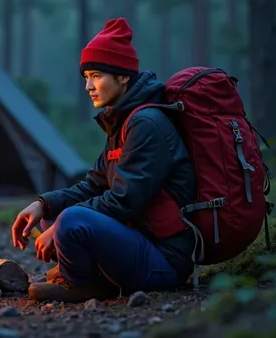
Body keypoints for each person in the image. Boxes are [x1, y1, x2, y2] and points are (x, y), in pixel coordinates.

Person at [11, 17, 198, 303]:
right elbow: (92, 186)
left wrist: (60, 223)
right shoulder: (122, 122)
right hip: (139, 243)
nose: (88, 85)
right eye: (86, 76)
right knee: (58, 210)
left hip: (164, 259)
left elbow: (124, 201)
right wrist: (43, 203)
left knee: (71, 219)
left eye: (96, 75)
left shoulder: (147, 124)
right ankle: (91, 275)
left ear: (123, 76)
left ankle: (83, 285)